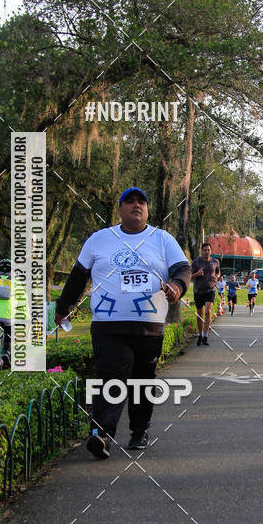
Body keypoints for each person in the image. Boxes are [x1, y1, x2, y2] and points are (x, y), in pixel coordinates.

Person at [55, 188, 191, 459]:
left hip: (149, 326)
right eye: (129, 202)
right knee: (111, 379)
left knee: (143, 380)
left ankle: (139, 430)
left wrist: (177, 285)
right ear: (119, 209)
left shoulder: (162, 239)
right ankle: (101, 434)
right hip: (109, 324)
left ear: (147, 210)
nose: (136, 206)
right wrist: (62, 308)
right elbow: (78, 276)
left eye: (142, 201)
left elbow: (182, 269)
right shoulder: (100, 239)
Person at [190, 242, 220, 346]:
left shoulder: (215, 261)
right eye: (205, 250)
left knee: (208, 312)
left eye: (208, 250)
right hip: (198, 291)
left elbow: (218, 272)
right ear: (202, 251)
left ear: (211, 251)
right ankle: (200, 334)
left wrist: (216, 277)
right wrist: (197, 274)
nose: (207, 252)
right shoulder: (196, 262)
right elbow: (189, 275)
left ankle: (206, 336)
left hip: (210, 290)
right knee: (200, 314)